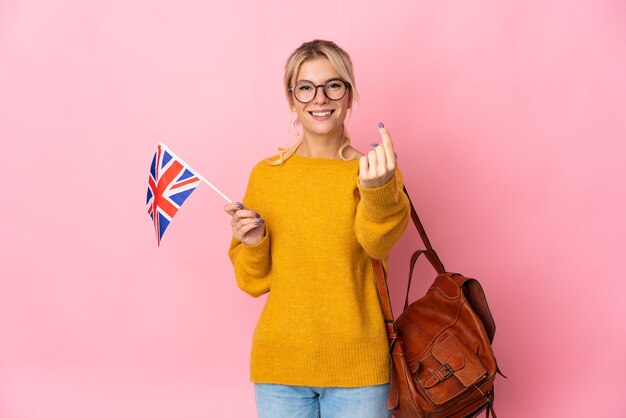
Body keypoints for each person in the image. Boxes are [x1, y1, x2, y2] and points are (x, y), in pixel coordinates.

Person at [224, 39, 410, 418]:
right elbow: (253, 282)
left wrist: (377, 192)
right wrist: (255, 243)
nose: (319, 98)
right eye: (305, 88)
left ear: (348, 95)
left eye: (333, 85)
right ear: (291, 99)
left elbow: (377, 244)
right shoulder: (267, 176)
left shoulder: (375, 172)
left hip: (359, 368)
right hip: (279, 366)